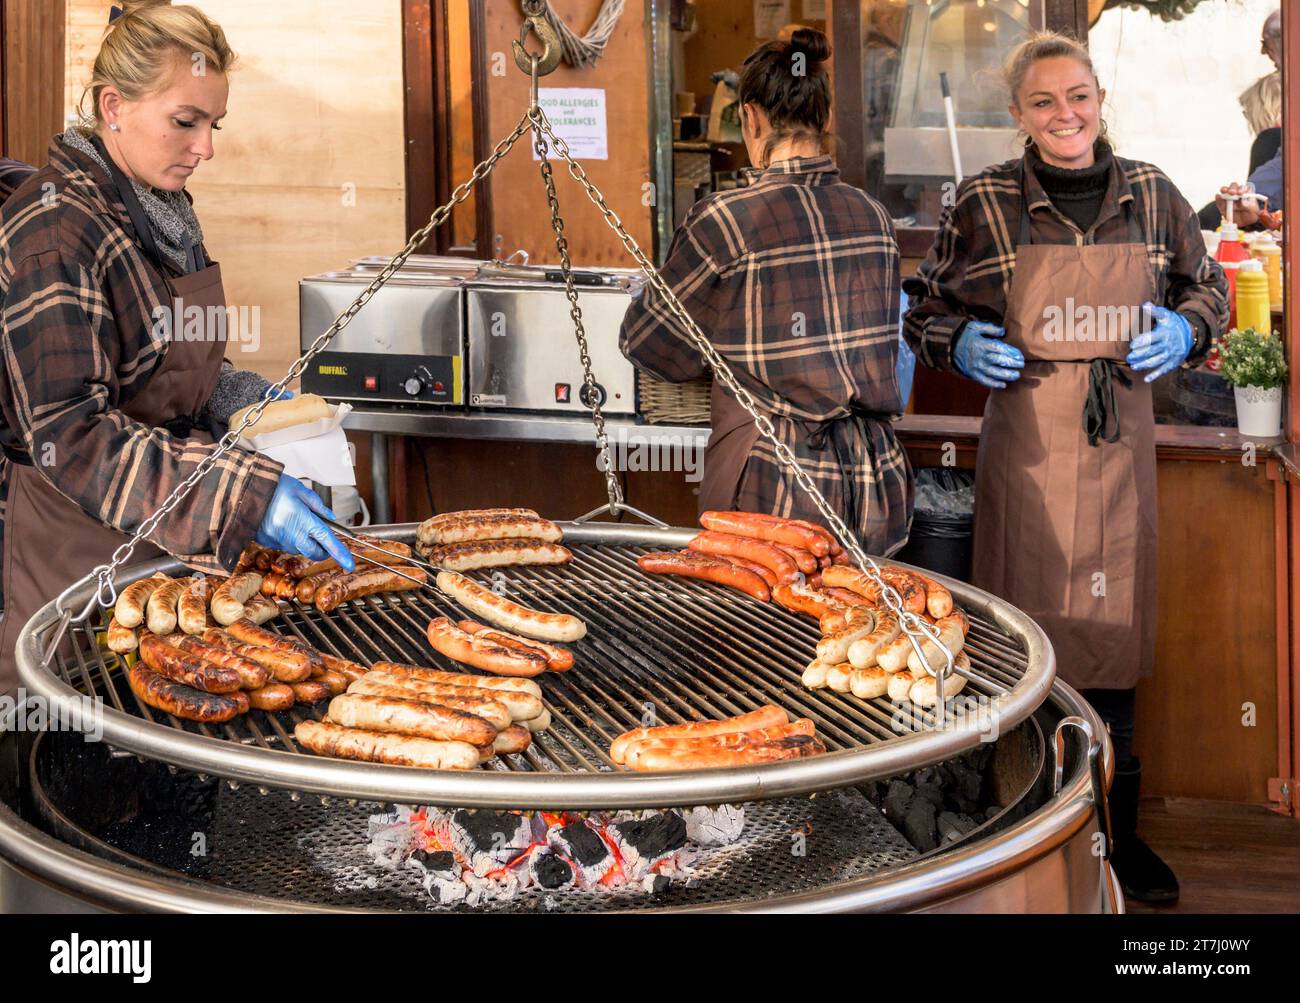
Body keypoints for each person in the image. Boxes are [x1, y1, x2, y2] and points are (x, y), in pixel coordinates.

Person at [903, 31, 1228, 905]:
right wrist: (955, 340)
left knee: (1115, 642)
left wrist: (1188, 329)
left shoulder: (1154, 195)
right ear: (1018, 115)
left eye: (1078, 95)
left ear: (1099, 99)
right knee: (1024, 641)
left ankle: (1118, 836)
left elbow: (1210, 290)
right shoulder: (982, 201)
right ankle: (1024, 829)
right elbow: (924, 306)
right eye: (1044, 101)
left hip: (1121, 447)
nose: (1065, 115)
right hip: (1027, 453)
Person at [0, 0, 354, 689]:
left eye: (213, 125)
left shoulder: (161, 215)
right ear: (113, 106)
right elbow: (71, 436)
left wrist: (236, 396)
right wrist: (242, 494)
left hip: (162, 552)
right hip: (70, 567)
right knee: (74, 762)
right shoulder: (54, 233)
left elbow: (163, 360)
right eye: (185, 122)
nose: (206, 148)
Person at [621, 28, 912, 554]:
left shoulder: (727, 220)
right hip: (877, 481)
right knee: (862, 630)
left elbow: (649, 344)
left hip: (777, 487)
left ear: (751, 117)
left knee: (766, 634)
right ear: (823, 118)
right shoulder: (875, 217)